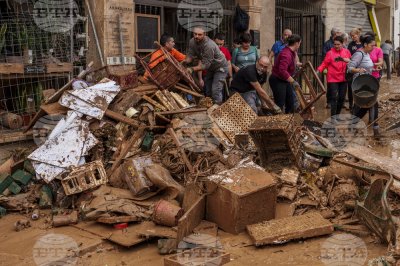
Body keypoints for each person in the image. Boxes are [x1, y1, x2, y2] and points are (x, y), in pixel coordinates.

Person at [184, 27, 229, 105]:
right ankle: (209, 109)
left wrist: (191, 69)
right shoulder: (192, 41)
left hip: (220, 67)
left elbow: (204, 65)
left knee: (215, 90)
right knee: (208, 90)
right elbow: (190, 56)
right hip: (211, 67)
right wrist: (184, 62)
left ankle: (217, 111)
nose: (196, 36)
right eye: (195, 34)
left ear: (204, 34)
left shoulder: (209, 45)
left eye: (199, 34)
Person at [347, 34, 380, 137]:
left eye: (374, 45)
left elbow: (366, 67)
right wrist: (358, 70)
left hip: (367, 83)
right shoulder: (359, 54)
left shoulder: (366, 54)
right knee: (370, 104)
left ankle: (353, 125)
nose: (373, 47)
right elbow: (350, 68)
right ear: (365, 44)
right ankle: (375, 129)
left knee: (367, 105)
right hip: (359, 84)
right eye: (371, 45)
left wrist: (374, 69)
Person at [317, 36, 351, 117]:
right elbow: (324, 63)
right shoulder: (330, 53)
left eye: (338, 44)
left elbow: (352, 62)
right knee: (333, 98)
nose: (336, 46)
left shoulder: (347, 52)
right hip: (333, 78)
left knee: (342, 98)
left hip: (343, 78)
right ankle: (333, 116)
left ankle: (337, 114)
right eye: (335, 44)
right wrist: (318, 70)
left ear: (342, 44)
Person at [269, 34, 302, 113]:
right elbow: (282, 71)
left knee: (290, 103)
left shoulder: (291, 52)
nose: (300, 45)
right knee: (280, 104)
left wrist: (296, 65)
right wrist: (293, 81)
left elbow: (289, 64)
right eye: (300, 43)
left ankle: (288, 123)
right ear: (296, 43)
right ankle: (277, 123)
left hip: (284, 80)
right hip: (278, 80)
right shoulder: (286, 54)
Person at [323, 27, 342, 109]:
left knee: (340, 86)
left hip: (339, 69)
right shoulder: (327, 44)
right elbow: (324, 56)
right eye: (339, 32)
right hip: (331, 68)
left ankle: (339, 101)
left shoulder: (341, 43)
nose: (340, 33)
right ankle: (329, 102)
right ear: (335, 34)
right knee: (330, 86)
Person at [346, 28, 363, 111]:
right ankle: (350, 104)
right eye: (351, 36)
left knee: (359, 87)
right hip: (352, 68)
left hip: (361, 68)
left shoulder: (363, 44)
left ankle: (358, 104)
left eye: (354, 35)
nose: (352, 37)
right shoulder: (351, 44)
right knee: (350, 87)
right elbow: (348, 55)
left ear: (358, 34)